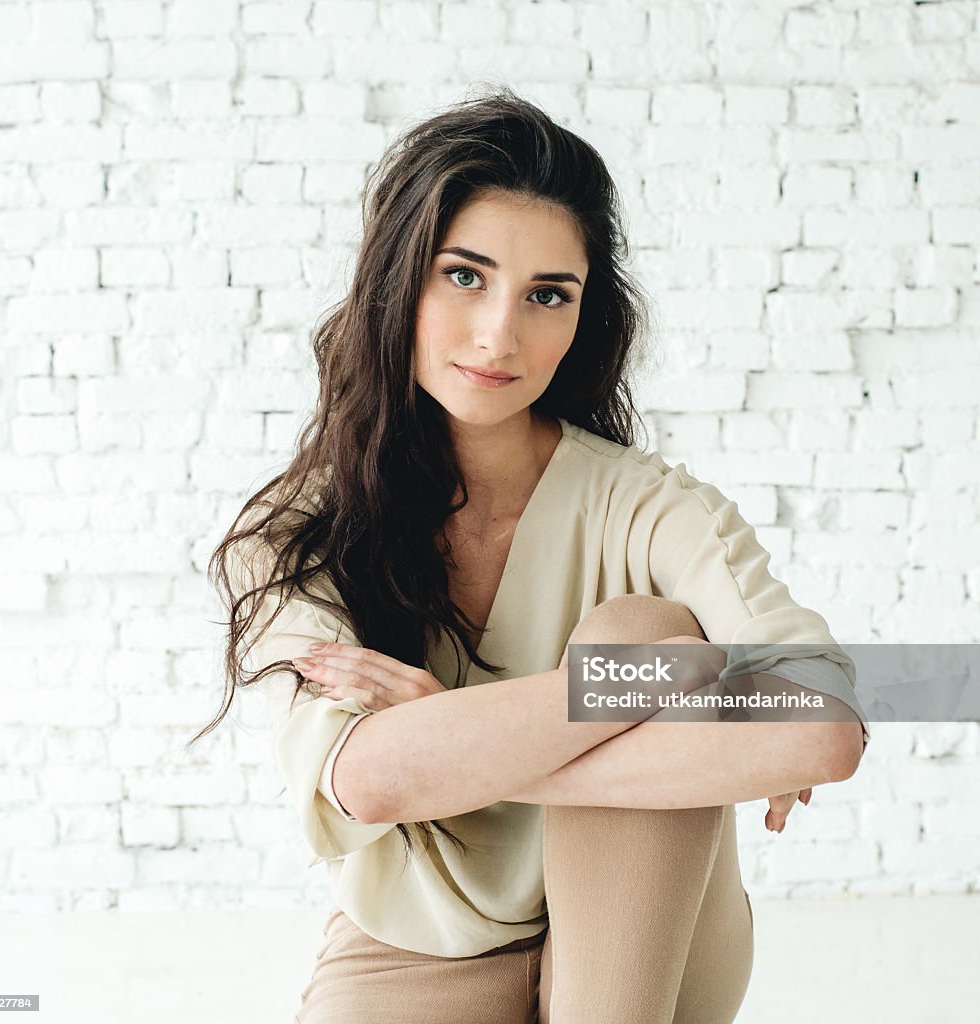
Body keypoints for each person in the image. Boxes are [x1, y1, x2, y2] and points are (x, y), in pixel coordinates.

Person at [193, 87, 871, 1023]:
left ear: (583, 318)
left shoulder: (645, 505)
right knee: (648, 660)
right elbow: (369, 778)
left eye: (547, 295)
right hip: (417, 946)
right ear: (400, 283)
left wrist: (458, 740)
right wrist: (665, 700)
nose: (499, 334)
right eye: (464, 276)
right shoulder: (293, 534)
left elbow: (824, 726)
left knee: (640, 630)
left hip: (651, 930)